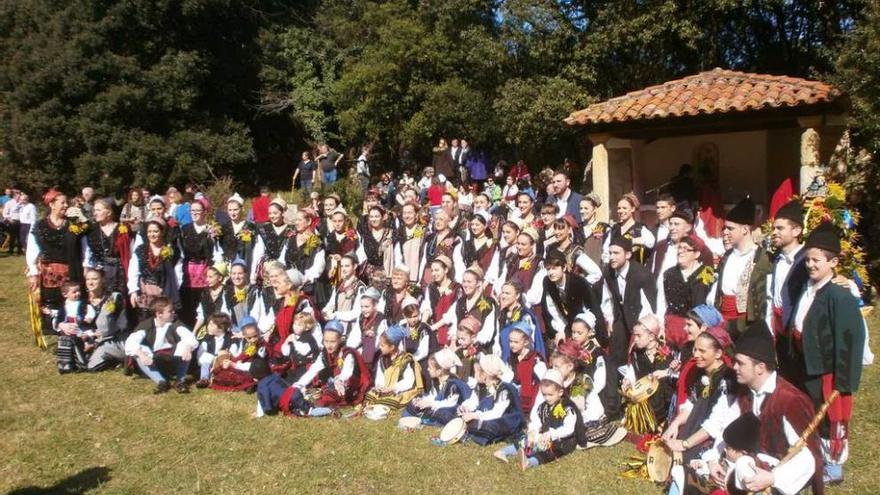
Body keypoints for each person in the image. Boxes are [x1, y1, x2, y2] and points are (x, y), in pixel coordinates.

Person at [786, 221, 866, 484]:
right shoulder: (807, 288)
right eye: (808, 260)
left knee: (828, 417)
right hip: (804, 362)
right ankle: (812, 458)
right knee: (808, 411)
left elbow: (850, 340)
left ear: (833, 263)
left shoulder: (839, 297)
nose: (810, 265)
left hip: (826, 369)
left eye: (817, 260)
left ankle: (833, 464)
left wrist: (843, 381)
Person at [703, 322, 823, 495]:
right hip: (746, 470)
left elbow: (809, 455)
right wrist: (713, 459)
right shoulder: (745, 393)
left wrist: (773, 478)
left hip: (777, 477)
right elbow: (727, 430)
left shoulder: (790, 400)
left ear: (760, 368)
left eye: (740, 363)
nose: (734, 367)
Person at [661, 326, 736, 495]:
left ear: (718, 353)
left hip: (714, 441)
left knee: (689, 471)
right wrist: (674, 425)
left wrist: (684, 444)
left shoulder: (727, 379)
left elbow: (716, 424)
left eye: (702, 350)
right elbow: (691, 404)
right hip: (696, 431)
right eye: (695, 349)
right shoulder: (701, 372)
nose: (696, 354)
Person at [600, 235, 657, 419]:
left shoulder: (642, 275)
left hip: (640, 322)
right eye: (610, 253)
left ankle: (640, 404)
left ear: (628, 254)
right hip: (620, 319)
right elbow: (607, 296)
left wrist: (644, 330)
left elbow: (650, 305)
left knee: (637, 359)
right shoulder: (608, 271)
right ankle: (614, 405)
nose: (612, 257)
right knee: (615, 357)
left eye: (616, 253)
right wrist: (609, 318)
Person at [494, 369, 583, 470]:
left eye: (550, 395)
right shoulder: (542, 407)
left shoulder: (567, 408)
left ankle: (530, 462)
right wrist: (533, 432)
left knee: (550, 451)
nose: (547, 398)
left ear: (560, 392)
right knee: (528, 440)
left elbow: (569, 429)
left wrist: (551, 434)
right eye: (544, 395)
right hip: (544, 436)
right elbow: (536, 421)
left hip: (562, 440)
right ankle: (505, 451)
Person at [26, 189, 86, 334]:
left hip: (72, 269)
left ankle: (72, 324)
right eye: (62, 202)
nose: (66, 205)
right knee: (51, 300)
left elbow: (85, 246)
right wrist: (33, 272)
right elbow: (32, 249)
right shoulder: (39, 225)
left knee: (72, 299)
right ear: (51, 204)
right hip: (49, 273)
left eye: (67, 202)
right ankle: (51, 326)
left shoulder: (75, 223)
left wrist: (86, 266)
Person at [713, 196, 772, 337]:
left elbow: (768, 298)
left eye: (730, 228)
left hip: (747, 325)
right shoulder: (726, 257)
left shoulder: (764, 259)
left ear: (745, 229)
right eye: (725, 228)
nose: (725, 232)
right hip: (723, 322)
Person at [124, 297, 199, 394]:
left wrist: (188, 348)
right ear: (159, 314)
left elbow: (189, 336)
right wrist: (142, 355)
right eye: (170, 311)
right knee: (138, 352)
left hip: (172, 359)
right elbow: (131, 342)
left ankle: (180, 381)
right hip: (152, 361)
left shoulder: (175, 323)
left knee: (186, 344)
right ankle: (161, 382)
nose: (173, 313)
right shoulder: (146, 325)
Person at [656, 235, 717, 350]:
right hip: (672, 328)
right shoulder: (669, 274)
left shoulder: (707, 274)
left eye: (686, 249)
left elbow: (711, 303)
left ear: (697, 254)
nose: (681, 252)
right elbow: (661, 301)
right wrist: (661, 326)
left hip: (696, 329)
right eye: (680, 248)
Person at [621, 315, 674, 434]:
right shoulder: (636, 353)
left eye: (639, 336)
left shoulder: (666, 353)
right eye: (635, 335)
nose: (635, 339)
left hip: (663, 399)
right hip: (644, 398)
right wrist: (628, 381)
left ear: (651, 336)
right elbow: (632, 372)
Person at [177, 199, 223, 328]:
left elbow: (217, 251)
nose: (195, 213)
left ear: (204, 212)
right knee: (187, 302)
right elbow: (180, 251)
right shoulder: (184, 229)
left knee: (203, 300)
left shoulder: (212, 229)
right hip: (187, 272)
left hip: (204, 270)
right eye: (192, 211)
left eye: (198, 210)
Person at [459, 354, 524, 446]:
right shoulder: (480, 387)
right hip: (484, 416)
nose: (475, 375)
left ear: (485, 374)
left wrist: (474, 415)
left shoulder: (504, 389)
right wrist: (465, 408)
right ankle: (472, 428)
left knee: (489, 426)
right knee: (459, 416)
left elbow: (497, 413)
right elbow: (473, 401)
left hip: (504, 420)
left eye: (476, 372)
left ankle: (474, 430)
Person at [542, 252, 604, 345]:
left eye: (554, 268)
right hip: (566, 324)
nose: (551, 273)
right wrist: (561, 330)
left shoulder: (579, 282)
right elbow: (552, 308)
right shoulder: (548, 282)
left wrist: (594, 334)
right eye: (548, 269)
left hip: (585, 324)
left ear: (564, 268)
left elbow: (592, 308)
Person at [402, 348, 472, 426]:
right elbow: (434, 396)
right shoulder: (436, 380)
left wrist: (431, 404)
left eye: (430, 368)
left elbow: (450, 403)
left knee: (443, 413)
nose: (427, 369)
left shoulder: (453, 384)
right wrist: (423, 401)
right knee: (414, 402)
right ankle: (410, 418)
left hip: (451, 409)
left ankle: (428, 418)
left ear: (439, 372)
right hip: (436, 405)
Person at [363, 325, 424, 411]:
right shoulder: (382, 359)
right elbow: (380, 377)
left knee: (393, 400)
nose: (380, 347)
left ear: (392, 347)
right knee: (371, 394)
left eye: (382, 345)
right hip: (386, 388)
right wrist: (380, 387)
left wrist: (393, 388)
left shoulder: (406, 359)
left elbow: (409, 381)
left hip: (400, 389)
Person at [83, 198, 131, 295]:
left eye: (98, 210)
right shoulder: (91, 231)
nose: (95, 213)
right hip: (99, 273)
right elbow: (88, 255)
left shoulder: (122, 229)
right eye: (94, 211)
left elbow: (129, 252)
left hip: (119, 273)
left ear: (109, 212)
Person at [210, 320, 268, 392]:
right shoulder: (249, 345)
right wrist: (229, 362)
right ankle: (250, 384)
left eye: (255, 336)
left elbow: (258, 364)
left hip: (257, 369)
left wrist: (234, 364)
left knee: (243, 376)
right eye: (249, 338)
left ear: (259, 333)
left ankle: (251, 384)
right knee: (223, 372)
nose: (253, 340)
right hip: (243, 367)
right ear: (245, 337)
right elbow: (241, 357)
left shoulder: (263, 345)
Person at [420, 255, 461, 347]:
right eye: (432, 271)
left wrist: (433, 327)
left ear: (446, 270)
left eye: (437, 270)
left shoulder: (457, 288)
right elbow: (427, 306)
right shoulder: (431, 287)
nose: (433, 273)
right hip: (433, 329)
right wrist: (423, 324)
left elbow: (453, 313)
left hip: (450, 331)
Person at [506, 323, 546, 415]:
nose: (512, 345)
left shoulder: (536, 359)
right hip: (516, 403)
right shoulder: (511, 358)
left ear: (526, 342)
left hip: (531, 403)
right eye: (510, 341)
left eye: (516, 342)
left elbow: (544, 381)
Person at [250, 197, 292, 285]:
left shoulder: (291, 230)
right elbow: (258, 253)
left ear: (283, 212)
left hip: (285, 270)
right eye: (270, 213)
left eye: (275, 213)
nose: (272, 216)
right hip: (267, 271)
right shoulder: (264, 230)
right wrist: (253, 273)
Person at [603, 193, 655, 265]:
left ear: (632, 209)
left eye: (624, 208)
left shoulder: (639, 228)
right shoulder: (614, 229)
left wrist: (633, 241)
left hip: (635, 271)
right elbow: (606, 251)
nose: (621, 211)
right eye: (619, 208)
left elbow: (651, 243)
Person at [195, 312, 235, 387]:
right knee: (207, 355)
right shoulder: (207, 339)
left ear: (221, 327)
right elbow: (200, 357)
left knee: (223, 354)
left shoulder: (231, 339)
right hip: (208, 367)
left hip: (225, 365)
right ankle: (204, 379)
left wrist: (222, 356)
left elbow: (234, 355)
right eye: (208, 324)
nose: (208, 327)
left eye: (212, 325)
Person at [219, 193, 256, 272]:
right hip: (227, 266)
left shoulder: (250, 227)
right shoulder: (223, 228)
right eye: (230, 210)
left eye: (235, 210)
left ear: (242, 209)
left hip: (245, 265)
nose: (232, 213)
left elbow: (254, 248)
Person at [578, 193, 610, 267]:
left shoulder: (604, 228)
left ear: (594, 209)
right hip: (579, 271)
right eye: (581, 208)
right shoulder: (577, 228)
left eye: (586, 208)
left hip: (598, 269)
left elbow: (607, 252)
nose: (582, 211)